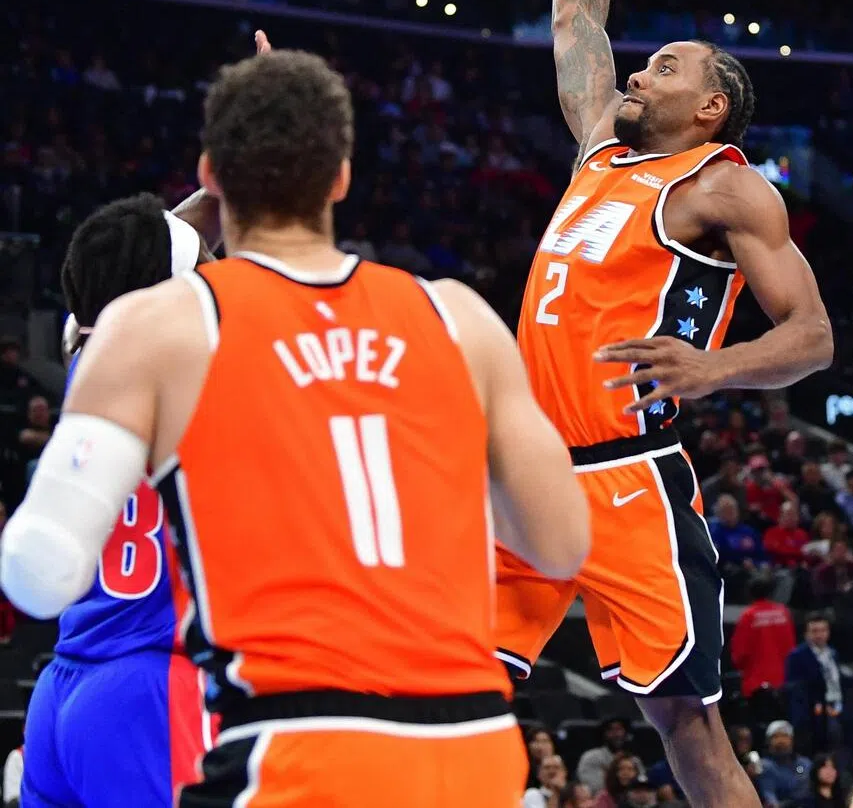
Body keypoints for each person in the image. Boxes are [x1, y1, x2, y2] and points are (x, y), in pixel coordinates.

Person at [0, 49, 591, 807]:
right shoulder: (459, 317)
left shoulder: (163, 329)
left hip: (293, 742)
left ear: (212, 174)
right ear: (342, 178)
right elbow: (561, 544)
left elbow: (39, 574)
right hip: (471, 743)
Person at [495, 0, 833, 808]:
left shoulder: (724, 190)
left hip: (624, 482)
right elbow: (575, 12)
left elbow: (813, 337)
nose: (641, 74)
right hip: (520, 475)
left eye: (669, 69)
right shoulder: (599, 149)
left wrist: (713, 369)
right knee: (446, 682)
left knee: (683, 721)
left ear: (712, 110)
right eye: (645, 64)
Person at [18, 180, 223, 808]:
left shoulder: (88, 352)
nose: (216, 276)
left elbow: (154, 241)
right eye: (204, 269)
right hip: (150, 685)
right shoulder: (200, 363)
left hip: (63, 687)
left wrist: (225, 177)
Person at [785, 614, 844, 751]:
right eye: (814, 631)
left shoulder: (833, 653)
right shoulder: (797, 656)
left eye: (823, 630)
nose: (819, 635)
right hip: (812, 713)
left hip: (837, 707)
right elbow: (794, 687)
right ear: (806, 634)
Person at [729, 576, 796, 698]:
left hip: (756, 684)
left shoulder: (748, 615)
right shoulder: (783, 612)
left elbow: (739, 653)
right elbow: (791, 647)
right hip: (784, 681)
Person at [578, 719, 643, 796]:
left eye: (619, 729)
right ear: (604, 733)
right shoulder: (591, 757)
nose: (616, 734)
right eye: (611, 730)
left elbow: (642, 785)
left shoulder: (634, 760)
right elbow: (592, 786)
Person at [756, 722, 812, 808]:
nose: (781, 741)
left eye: (785, 736)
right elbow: (769, 798)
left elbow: (808, 794)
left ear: (792, 740)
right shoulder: (764, 766)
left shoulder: (805, 764)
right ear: (768, 742)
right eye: (776, 737)